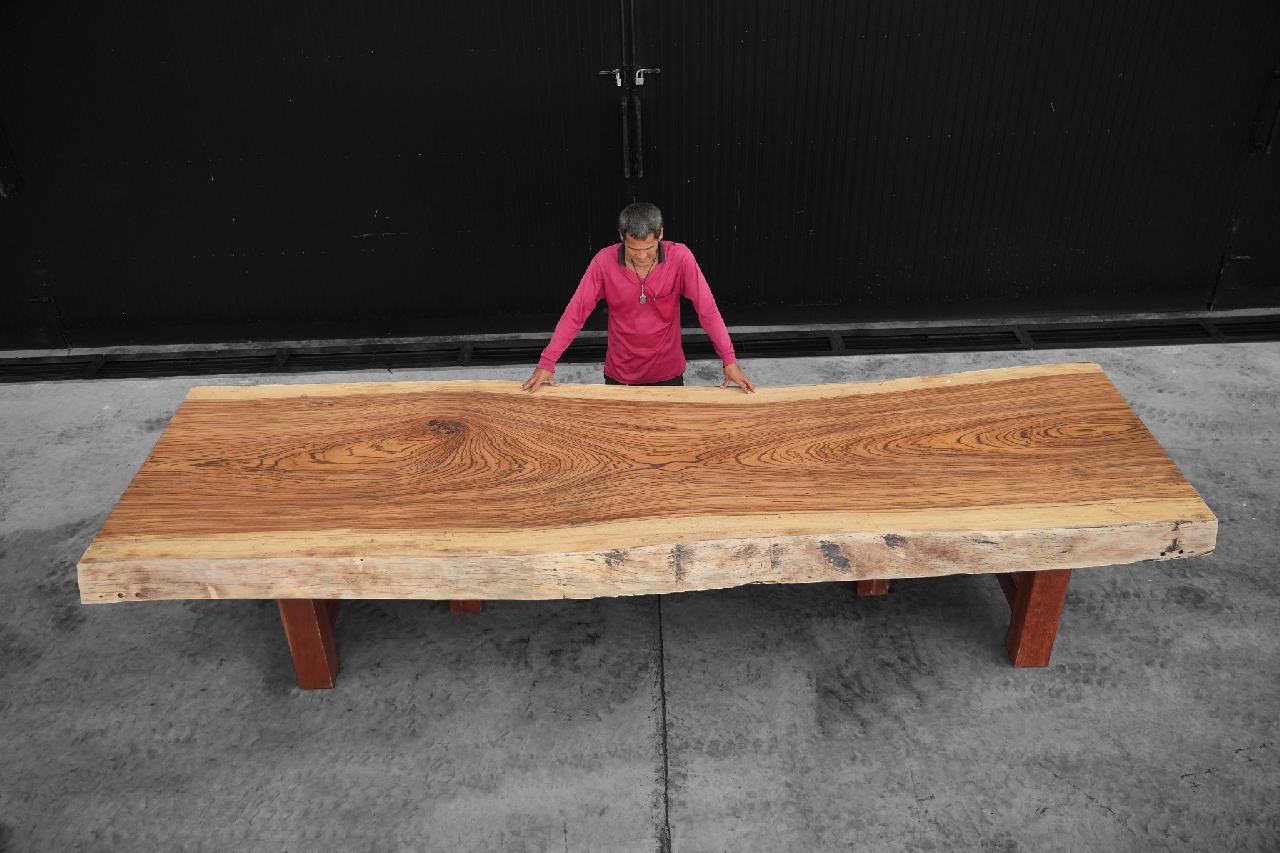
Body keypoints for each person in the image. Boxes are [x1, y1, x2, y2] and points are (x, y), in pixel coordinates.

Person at [521, 203, 757, 394]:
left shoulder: (681, 258)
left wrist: (729, 360)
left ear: (661, 234)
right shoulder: (603, 262)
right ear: (621, 236)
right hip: (620, 373)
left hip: (668, 373)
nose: (642, 255)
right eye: (634, 249)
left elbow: (708, 310)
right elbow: (576, 312)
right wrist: (547, 361)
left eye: (650, 247)